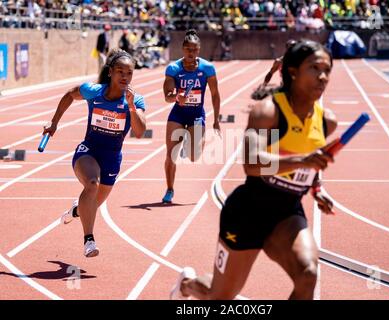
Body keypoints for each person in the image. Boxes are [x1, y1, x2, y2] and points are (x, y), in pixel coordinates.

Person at [170, 40, 338, 300]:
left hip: (287, 213)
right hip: (248, 213)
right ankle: (187, 284)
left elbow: (311, 158)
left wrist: (317, 188)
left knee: (308, 274)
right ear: (293, 71)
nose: (323, 76)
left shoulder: (327, 121)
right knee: (220, 296)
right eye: (314, 68)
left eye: (327, 69)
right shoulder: (268, 111)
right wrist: (302, 161)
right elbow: (251, 162)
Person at [43, 49, 147, 257]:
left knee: (91, 205)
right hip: (88, 151)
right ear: (110, 72)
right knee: (91, 184)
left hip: (112, 158)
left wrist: (131, 107)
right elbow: (69, 95)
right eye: (120, 72)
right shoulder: (93, 91)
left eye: (129, 73)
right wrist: (54, 123)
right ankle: (88, 241)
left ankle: (75, 211)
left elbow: (140, 132)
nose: (124, 77)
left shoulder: (135, 101)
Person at [162, 29, 221, 204]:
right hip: (178, 114)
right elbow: (167, 95)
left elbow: (215, 94)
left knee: (194, 156)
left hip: (196, 114)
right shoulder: (173, 68)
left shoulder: (207, 68)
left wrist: (216, 120)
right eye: (188, 49)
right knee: (170, 154)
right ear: (183, 49)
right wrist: (176, 97)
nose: (191, 53)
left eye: (195, 50)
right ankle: (170, 189)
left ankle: (189, 141)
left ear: (199, 50)